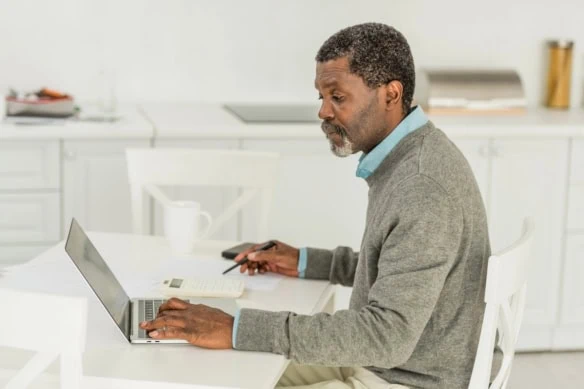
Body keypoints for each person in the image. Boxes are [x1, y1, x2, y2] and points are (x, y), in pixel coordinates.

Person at [140, 23, 491, 389]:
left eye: (338, 97)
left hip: (406, 379)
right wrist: (308, 261)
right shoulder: (412, 158)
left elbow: (385, 338)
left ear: (391, 94)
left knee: (225, 360)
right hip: (389, 366)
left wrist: (235, 326)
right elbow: (399, 271)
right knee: (211, 367)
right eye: (321, 97)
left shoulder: (422, 186)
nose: (323, 111)